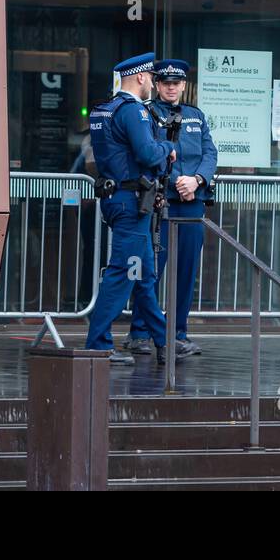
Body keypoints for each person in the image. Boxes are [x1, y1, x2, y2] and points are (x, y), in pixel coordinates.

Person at [122, 58, 217, 358]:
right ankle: (139, 333)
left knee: (186, 271)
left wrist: (198, 180)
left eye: (177, 83)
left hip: (193, 203)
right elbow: (148, 154)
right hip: (162, 202)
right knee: (151, 270)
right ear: (157, 84)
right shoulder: (146, 113)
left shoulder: (196, 116)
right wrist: (179, 182)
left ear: (184, 86)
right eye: (165, 83)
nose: (172, 87)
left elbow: (210, 152)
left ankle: (177, 333)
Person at [84, 53, 175, 364]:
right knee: (123, 273)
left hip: (117, 200)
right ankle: (97, 345)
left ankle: (164, 341)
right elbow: (148, 154)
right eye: (151, 77)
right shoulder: (133, 111)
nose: (152, 83)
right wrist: (169, 148)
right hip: (131, 203)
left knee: (144, 274)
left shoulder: (103, 110)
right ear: (140, 78)